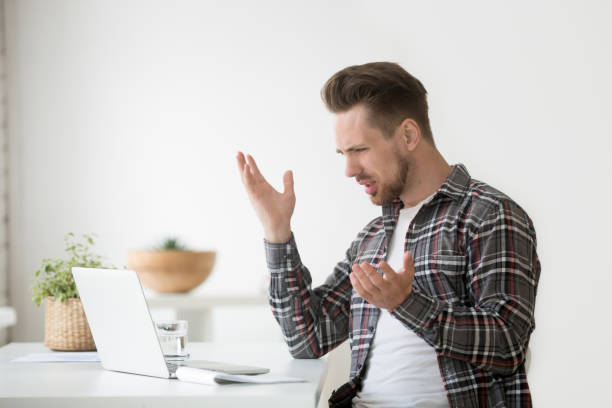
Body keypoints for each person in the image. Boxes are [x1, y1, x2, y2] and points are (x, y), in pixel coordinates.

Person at [236, 62, 540, 408]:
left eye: (359, 150)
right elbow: (308, 338)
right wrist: (277, 233)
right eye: (343, 154)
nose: (349, 170)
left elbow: (508, 344)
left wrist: (405, 303)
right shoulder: (375, 236)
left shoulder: (488, 214)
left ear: (408, 135)